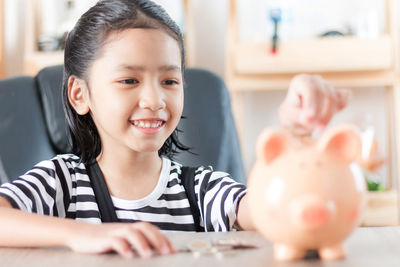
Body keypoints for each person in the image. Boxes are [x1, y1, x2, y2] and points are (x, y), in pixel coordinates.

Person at [0, 0, 349, 259]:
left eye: (169, 80)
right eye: (128, 80)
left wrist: (293, 136)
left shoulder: (202, 190)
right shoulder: (60, 182)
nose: (154, 99)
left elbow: (273, 209)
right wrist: (81, 235)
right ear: (80, 94)